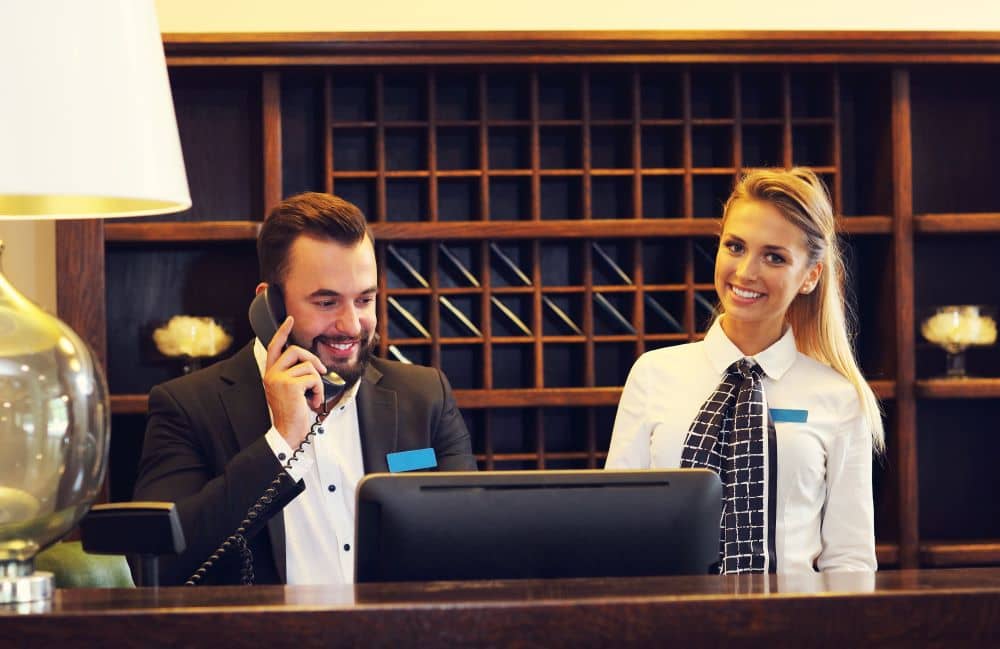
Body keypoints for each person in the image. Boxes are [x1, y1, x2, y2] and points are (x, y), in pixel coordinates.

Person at [133, 192, 477, 586]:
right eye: (327, 302)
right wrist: (280, 441)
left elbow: (467, 543)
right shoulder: (186, 406)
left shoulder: (425, 395)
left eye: (365, 300)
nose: (351, 325)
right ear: (270, 305)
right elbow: (155, 564)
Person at [605, 168, 883, 574]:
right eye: (735, 247)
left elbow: (850, 560)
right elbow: (618, 529)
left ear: (810, 276)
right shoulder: (653, 374)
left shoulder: (839, 399)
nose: (747, 272)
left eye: (774, 257)